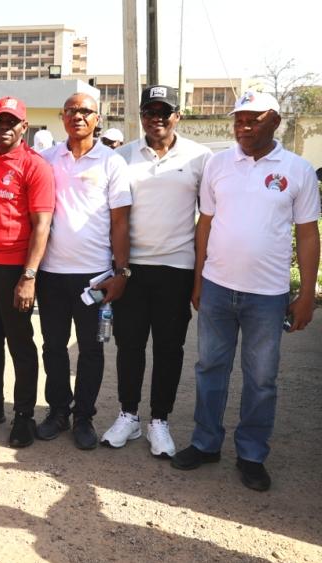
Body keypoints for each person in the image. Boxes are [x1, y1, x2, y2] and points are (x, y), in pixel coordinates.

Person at [172, 91, 320, 492]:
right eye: (239, 119)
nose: (244, 127)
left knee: (261, 379)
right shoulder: (219, 164)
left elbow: (307, 234)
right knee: (209, 370)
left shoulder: (298, 170)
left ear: (276, 120)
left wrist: (306, 293)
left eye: (254, 119)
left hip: (267, 297)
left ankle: (252, 453)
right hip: (218, 289)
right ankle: (205, 444)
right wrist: (199, 279)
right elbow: (205, 224)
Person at [102, 85, 212, 457]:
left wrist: (200, 275)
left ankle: (159, 421)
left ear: (178, 116)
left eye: (165, 112)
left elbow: (208, 221)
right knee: (129, 346)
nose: (157, 119)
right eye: (150, 112)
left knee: (169, 348)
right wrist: (116, 267)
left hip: (176, 268)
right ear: (141, 116)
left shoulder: (200, 157)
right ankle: (129, 415)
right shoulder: (124, 156)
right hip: (132, 270)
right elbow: (114, 216)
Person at [36, 92, 132, 450]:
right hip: (51, 273)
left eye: (86, 111)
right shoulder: (47, 159)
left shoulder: (112, 162)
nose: (78, 116)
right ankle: (58, 411)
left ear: (97, 118)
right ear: (62, 117)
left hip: (94, 277)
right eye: (72, 111)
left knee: (92, 351)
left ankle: (84, 417)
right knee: (54, 347)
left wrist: (121, 272)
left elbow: (121, 222)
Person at [0, 96, 55, 448]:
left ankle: (24, 414)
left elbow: (42, 226)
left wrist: (29, 276)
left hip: (15, 270)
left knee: (20, 343)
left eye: (12, 122)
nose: (5, 127)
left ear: (24, 126)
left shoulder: (36, 167)